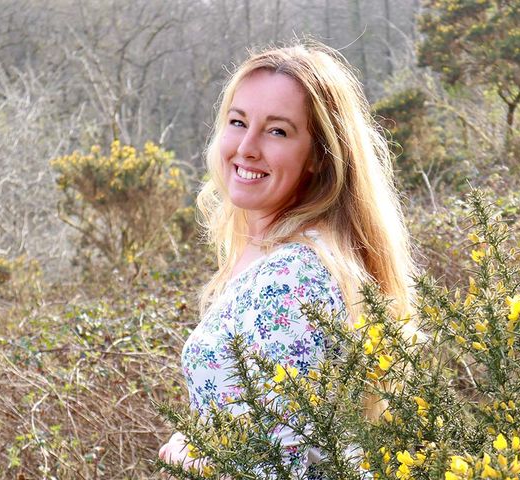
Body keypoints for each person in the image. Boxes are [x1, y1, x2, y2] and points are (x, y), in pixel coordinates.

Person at [158, 40, 416, 477]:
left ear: (317, 155)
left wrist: (198, 458)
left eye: (277, 131)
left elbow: (279, 467)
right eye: (238, 122)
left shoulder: (293, 279)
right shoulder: (266, 252)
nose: (246, 147)